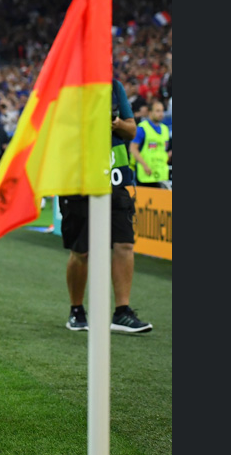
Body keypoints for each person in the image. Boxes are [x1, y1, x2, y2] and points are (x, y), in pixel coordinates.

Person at [61, 78, 152, 334]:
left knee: (124, 245)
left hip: (115, 179)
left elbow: (131, 130)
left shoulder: (114, 86)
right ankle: (76, 310)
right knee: (82, 252)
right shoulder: (67, 84)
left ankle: (122, 312)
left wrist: (115, 123)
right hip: (78, 180)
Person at [130, 99, 171, 188]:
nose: (161, 114)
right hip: (145, 174)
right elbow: (133, 148)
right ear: (150, 112)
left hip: (161, 174)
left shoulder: (165, 129)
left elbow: (163, 149)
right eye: (157, 111)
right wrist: (145, 165)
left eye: (162, 111)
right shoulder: (142, 128)